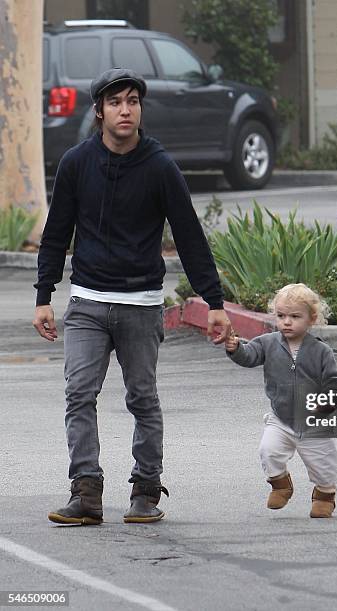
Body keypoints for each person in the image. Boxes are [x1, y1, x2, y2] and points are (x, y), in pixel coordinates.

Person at [33, 68, 231, 525]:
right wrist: (44, 294)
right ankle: (86, 492)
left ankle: (145, 489)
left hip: (140, 304)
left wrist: (214, 303)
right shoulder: (76, 163)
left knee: (142, 397)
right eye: (116, 102)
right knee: (79, 393)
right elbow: (56, 234)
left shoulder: (159, 166)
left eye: (133, 102)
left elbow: (190, 236)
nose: (126, 110)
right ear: (99, 110)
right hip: (86, 303)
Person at [225, 283, 337, 518]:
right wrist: (236, 348)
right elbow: (249, 356)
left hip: (313, 421)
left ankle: (324, 494)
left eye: (295, 316)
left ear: (312, 318)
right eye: (281, 316)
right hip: (281, 418)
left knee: (324, 466)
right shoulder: (267, 343)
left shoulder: (322, 351)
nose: (287, 321)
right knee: (269, 451)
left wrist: (327, 402)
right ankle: (280, 484)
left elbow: (333, 382)